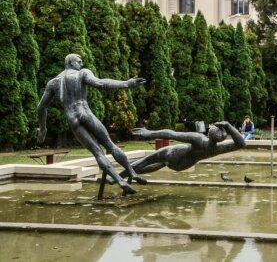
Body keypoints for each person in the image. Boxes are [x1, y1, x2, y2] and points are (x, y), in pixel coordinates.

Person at [37, 54, 147, 195]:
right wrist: (126, 83)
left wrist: (43, 128)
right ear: (70, 62)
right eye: (79, 61)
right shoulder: (82, 73)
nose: (81, 64)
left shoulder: (53, 82)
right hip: (85, 113)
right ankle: (132, 173)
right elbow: (101, 83)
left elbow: (41, 107)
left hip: (72, 118)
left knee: (97, 152)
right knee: (110, 144)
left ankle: (120, 181)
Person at [117, 121, 247, 179]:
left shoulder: (199, 139)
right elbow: (241, 143)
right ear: (222, 139)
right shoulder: (218, 148)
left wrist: (149, 133)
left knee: (147, 160)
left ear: (209, 133)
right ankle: (128, 175)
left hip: (176, 154)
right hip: (183, 165)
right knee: (160, 164)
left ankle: (117, 177)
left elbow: (171, 134)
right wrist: (228, 127)